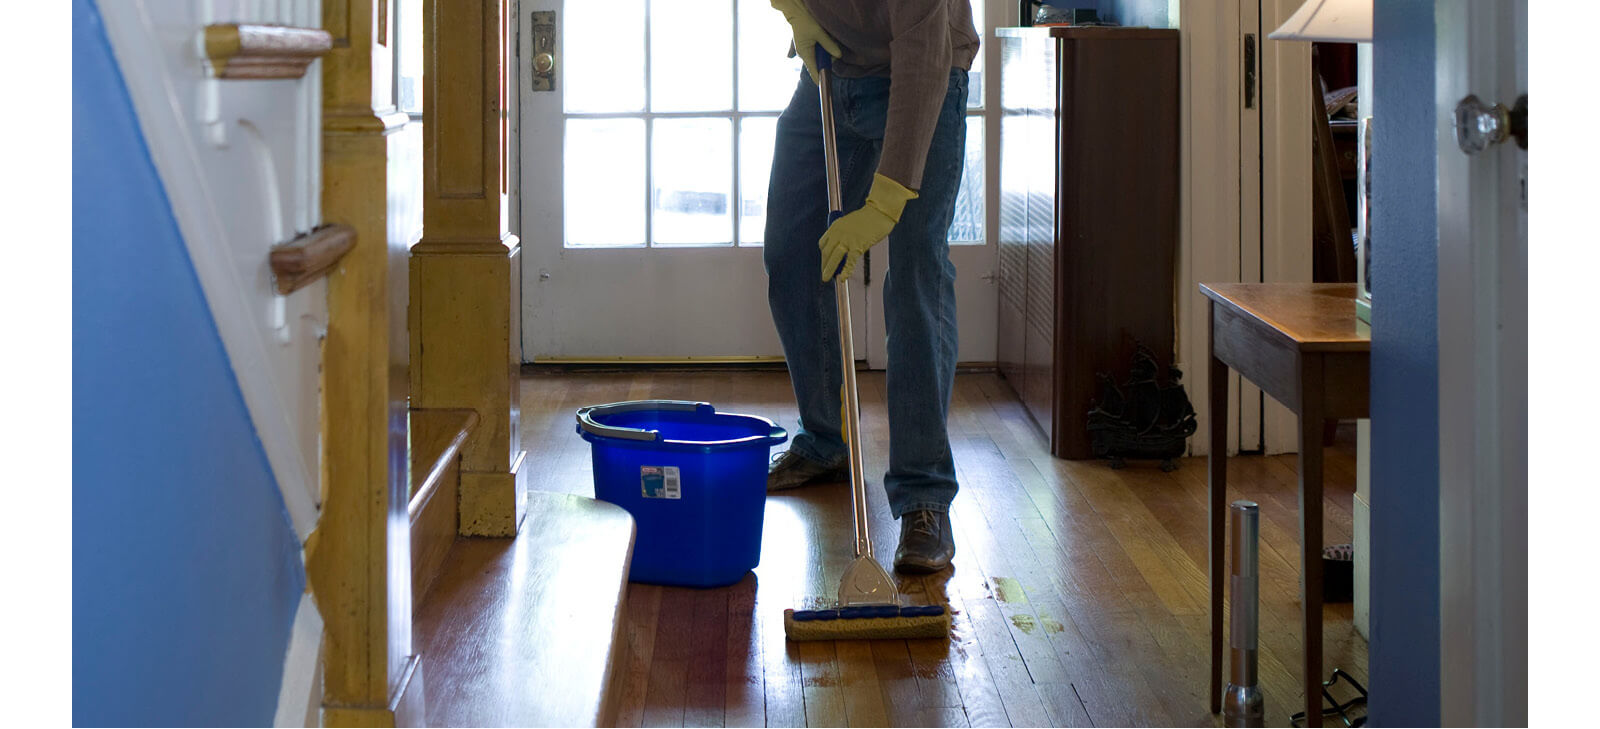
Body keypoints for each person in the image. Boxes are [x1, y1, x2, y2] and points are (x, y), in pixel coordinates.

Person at [762, 0, 979, 574]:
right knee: (791, 254)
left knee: (914, 275)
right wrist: (793, 12)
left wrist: (885, 202)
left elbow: (923, 60)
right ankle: (825, 442)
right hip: (834, 72)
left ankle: (924, 497)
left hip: (924, 77)